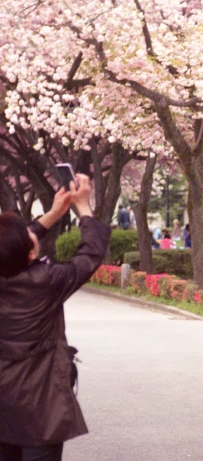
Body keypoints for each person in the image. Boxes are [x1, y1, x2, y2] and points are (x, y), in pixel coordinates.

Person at [0, 174, 111, 461]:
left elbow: (12, 247)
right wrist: (83, 208)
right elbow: (90, 254)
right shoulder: (47, 282)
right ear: (30, 252)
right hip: (41, 407)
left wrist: (52, 214)